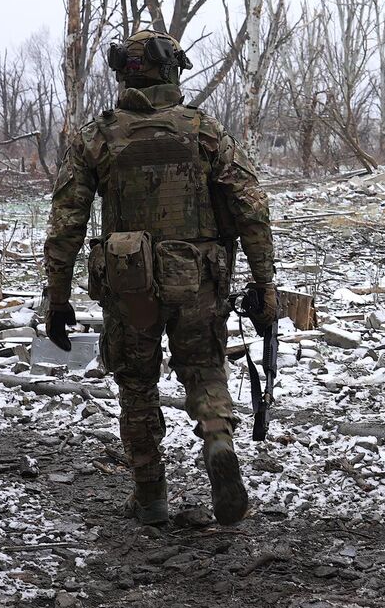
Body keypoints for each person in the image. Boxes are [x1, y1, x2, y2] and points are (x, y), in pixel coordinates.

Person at [42, 28, 277, 526]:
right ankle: (216, 436)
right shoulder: (204, 131)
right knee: (204, 367)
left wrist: (57, 298)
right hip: (199, 281)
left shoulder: (96, 137)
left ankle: (151, 496)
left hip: (130, 289)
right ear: (171, 70)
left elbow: (66, 222)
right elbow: (252, 208)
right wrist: (264, 284)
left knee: (136, 385)